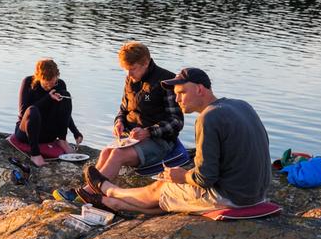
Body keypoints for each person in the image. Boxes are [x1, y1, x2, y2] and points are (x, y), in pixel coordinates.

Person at [77, 68, 271, 215]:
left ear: (200, 89)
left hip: (233, 198)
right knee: (171, 197)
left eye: (182, 92)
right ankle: (113, 204)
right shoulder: (241, 105)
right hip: (257, 194)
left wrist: (183, 176)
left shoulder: (208, 118)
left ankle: (109, 189)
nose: (177, 98)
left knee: (162, 188)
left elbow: (205, 178)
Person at [96, 41, 184, 180]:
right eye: (125, 69)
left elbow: (177, 121)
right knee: (106, 152)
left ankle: (91, 193)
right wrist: (119, 122)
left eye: (133, 68)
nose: (129, 74)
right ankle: (86, 189)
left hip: (160, 141)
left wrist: (148, 132)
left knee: (117, 155)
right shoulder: (130, 79)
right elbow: (123, 109)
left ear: (146, 63)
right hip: (130, 138)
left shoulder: (167, 81)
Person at [15, 58, 83, 167]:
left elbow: (64, 113)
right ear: (39, 78)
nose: (51, 86)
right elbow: (24, 114)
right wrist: (48, 98)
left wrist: (75, 132)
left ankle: (62, 140)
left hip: (47, 134)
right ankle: (35, 154)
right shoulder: (28, 82)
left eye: (54, 82)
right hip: (27, 133)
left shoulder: (60, 84)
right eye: (47, 84)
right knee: (33, 110)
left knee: (66, 95)